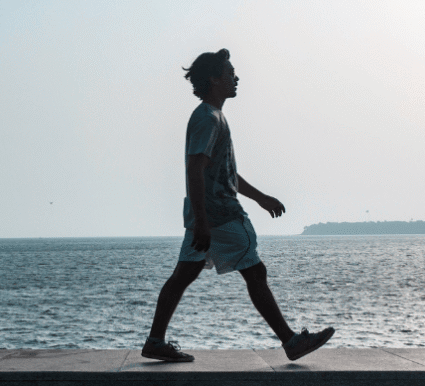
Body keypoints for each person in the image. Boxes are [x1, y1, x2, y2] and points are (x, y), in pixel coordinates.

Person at [141, 48, 334, 362]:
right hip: (220, 216)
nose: (236, 78)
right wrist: (203, 221)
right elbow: (195, 169)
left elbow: (223, 170)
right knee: (255, 272)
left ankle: (154, 341)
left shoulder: (213, 116)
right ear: (215, 80)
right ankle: (291, 341)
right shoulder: (207, 118)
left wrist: (259, 197)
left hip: (207, 215)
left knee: (183, 275)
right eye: (230, 73)